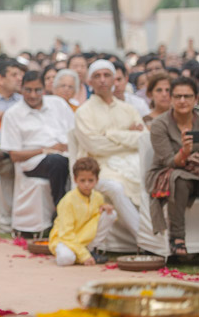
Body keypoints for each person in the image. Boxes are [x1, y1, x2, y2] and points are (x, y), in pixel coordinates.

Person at [73, 59, 143, 239]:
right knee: (115, 187)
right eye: (97, 76)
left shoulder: (128, 109)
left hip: (134, 163)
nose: (102, 80)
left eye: (107, 75)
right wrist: (128, 136)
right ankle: (144, 239)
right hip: (99, 168)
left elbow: (143, 139)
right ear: (90, 82)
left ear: (115, 80)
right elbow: (94, 146)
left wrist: (111, 134)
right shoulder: (84, 111)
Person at [0, 71, 75, 207]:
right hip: (33, 162)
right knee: (57, 162)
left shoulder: (58, 104)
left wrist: (67, 146)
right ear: (21, 89)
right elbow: (14, 156)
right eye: (28, 90)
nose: (33, 95)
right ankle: (60, 211)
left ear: (44, 89)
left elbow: (75, 132)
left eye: (37, 90)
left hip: (68, 153)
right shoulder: (13, 114)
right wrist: (46, 150)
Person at [146, 77, 199, 256]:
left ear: (196, 99)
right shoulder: (160, 124)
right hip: (167, 174)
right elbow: (168, 161)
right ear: (171, 98)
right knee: (178, 178)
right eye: (177, 96)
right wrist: (185, 152)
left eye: (187, 96)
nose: (182, 101)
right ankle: (177, 239)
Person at [48, 157, 116, 266]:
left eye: (90, 180)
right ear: (75, 179)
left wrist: (104, 206)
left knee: (110, 213)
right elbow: (66, 234)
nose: (87, 184)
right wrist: (83, 255)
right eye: (82, 180)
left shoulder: (98, 197)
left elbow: (94, 216)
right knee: (66, 259)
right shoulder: (68, 200)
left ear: (96, 180)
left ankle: (90, 250)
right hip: (64, 239)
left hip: (83, 238)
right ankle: (82, 255)